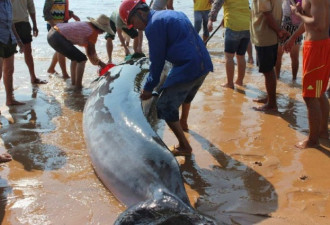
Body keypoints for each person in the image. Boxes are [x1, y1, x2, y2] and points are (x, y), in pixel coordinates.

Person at [119, 0, 213, 156]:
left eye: (132, 22)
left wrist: (148, 88)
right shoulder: (173, 14)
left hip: (188, 67)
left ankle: (184, 146)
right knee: (185, 96)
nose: (134, 27)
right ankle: (183, 122)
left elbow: (157, 62)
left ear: (140, 13)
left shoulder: (153, 26)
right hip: (204, 64)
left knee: (164, 106)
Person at [286, 0, 330, 149]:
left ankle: (313, 140)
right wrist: (293, 37)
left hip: (317, 48)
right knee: (318, 93)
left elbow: (319, 25)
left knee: (310, 96)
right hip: (316, 46)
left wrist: (298, 14)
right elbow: (308, 24)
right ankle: (322, 131)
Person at [47, 14, 113, 88]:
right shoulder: (93, 33)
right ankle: (78, 86)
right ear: (100, 28)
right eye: (104, 30)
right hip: (57, 37)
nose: (104, 32)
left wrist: (97, 62)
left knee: (76, 58)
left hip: (52, 33)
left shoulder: (86, 25)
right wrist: (101, 64)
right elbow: (91, 53)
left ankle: (73, 83)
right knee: (82, 59)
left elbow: (89, 52)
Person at [250, 0, 290, 111]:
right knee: (269, 70)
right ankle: (270, 98)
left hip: (264, 36)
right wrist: (278, 30)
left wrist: (279, 30)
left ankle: (272, 104)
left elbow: (267, 14)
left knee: (268, 71)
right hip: (270, 36)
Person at [208, 0, 251, 89]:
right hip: (246, 25)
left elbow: (216, 5)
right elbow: (246, 8)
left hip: (233, 25)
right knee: (241, 56)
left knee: (229, 56)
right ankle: (239, 81)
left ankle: (230, 83)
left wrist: (210, 20)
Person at [12, 0, 47, 84]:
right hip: (9, 23)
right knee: (9, 55)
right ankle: (9, 83)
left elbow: (31, 7)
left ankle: (33, 77)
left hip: (24, 23)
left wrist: (35, 25)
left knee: (28, 52)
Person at [43, 0, 80, 79]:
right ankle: (65, 74)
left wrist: (72, 15)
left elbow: (62, 9)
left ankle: (51, 69)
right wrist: (54, 26)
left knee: (59, 49)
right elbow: (46, 11)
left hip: (63, 24)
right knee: (61, 49)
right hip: (54, 25)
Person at [0, 0, 25, 106]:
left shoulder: (8, 2)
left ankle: (9, 100)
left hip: (10, 39)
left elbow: (11, 23)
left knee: (9, 70)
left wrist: (18, 40)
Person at [275, 0, 303, 80]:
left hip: (296, 26)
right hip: (283, 23)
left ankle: (294, 79)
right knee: (278, 54)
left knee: (294, 55)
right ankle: (277, 78)